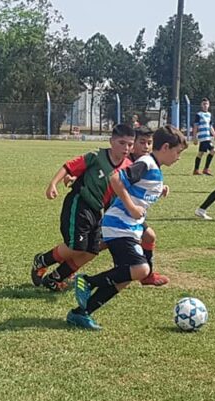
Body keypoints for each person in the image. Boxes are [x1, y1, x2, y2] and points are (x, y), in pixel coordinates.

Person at [67, 126, 187, 330]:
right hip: (119, 225)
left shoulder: (154, 167)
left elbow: (138, 192)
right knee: (140, 269)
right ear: (165, 147)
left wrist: (156, 193)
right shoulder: (146, 163)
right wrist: (131, 207)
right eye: (178, 152)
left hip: (130, 227)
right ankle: (87, 281)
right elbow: (116, 179)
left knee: (124, 278)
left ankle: (81, 313)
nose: (178, 157)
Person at [31, 124, 134, 292]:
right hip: (80, 202)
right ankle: (42, 261)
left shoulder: (128, 167)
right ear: (111, 141)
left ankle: (55, 278)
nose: (126, 148)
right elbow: (69, 166)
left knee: (92, 251)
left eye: (130, 144)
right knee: (75, 246)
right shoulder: (97, 156)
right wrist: (53, 184)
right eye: (122, 143)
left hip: (98, 211)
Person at [127, 126, 170, 286]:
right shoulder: (129, 162)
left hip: (130, 213)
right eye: (142, 142)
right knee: (94, 246)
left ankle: (147, 275)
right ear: (133, 143)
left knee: (149, 236)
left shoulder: (146, 162)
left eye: (149, 143)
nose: (146, 146)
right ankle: (69, 268)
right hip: (119, 212)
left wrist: (158, 189)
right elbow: (119, 181)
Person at [192, 98, 215, 176]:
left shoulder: (209, 114)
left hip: (208, 137)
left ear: (209, 105)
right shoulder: (199, 114)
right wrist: (194, 137)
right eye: (204, 104)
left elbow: (210, 126)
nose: (205, 105)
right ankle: (206, 169)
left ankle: (196, 170)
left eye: (206, 104)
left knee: (200, 153)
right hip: (203, 137)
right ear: (201, 105)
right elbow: (195, 126)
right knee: (213, 151)